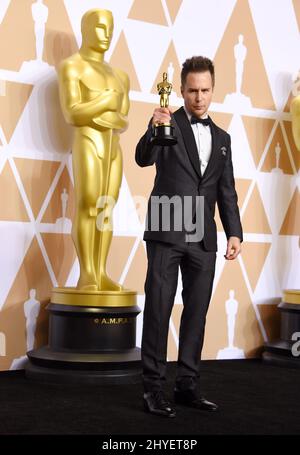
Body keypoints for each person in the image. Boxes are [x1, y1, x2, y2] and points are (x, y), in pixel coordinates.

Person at [135, 56, 243, 417]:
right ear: (180, 90)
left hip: (204, 239)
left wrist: (234, 233)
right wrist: (153, 128)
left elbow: (226, 190)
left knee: (196, 313)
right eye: (193, 90)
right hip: (167, 230)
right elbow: (142, 158)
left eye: (205, 90)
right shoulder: (167, 122)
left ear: (213, 90)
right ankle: (152, 389)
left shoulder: (223, 138)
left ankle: (187, 386)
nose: (199, 97)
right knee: (158, 309)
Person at [58, 9, 129, 291]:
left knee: (107, 208)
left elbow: (123, 120)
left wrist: (99, 110)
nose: (106, 33)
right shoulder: (72, 67)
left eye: (110, 28)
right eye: (100, 27)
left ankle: (100, 272)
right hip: (88, 140)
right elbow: (73, 114)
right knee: (88, 203)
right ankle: (87, 273)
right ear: (86, 29)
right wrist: (106, 103)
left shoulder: (120, 75)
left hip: (113, 146)